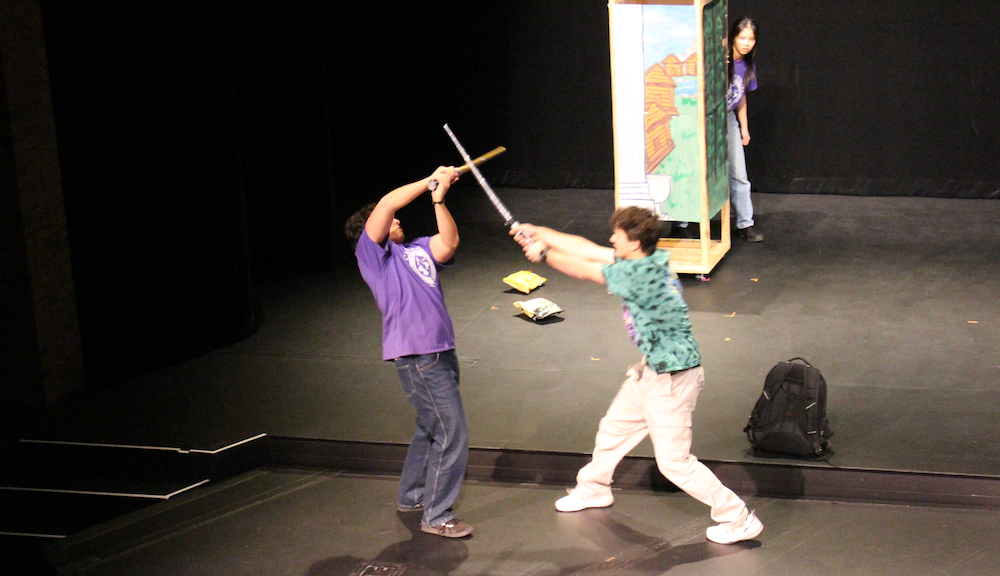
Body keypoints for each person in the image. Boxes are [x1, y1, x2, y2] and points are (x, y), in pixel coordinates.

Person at [509, 206, 763, 545]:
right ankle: (593, 489)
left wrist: (544, 254)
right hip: (651, 370)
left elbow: (585, 269)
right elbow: (587, 249)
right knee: (613, 430)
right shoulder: (650, 258)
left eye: (618, 235)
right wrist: (539, 230)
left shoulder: (641, 276)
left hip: (673, 379)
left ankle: (737, 517)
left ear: (635, 243)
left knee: (674, 463)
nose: (612, 238)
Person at [343, 166, 473, 538]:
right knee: (452, 433)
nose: (396, 218)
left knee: (428, 428)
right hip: (418, 356)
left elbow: (448, 243)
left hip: (441, 350)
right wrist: (429, 179)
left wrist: (438, 198)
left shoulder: (416, 249)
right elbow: (387, 203)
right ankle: (437, 515)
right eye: (387, 221)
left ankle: (412, 494)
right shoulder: (372, 257)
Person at [728, 16, 763, 242]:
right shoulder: (720, 58)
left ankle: (745, 224)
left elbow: (740, 98)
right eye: (742, 37)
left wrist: (744, 128)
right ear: (734, 37)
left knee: (740, 174)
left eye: (751, 39)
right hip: (704, 118)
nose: (746, 42)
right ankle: (683, 223)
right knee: (697, 172)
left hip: (728, 119)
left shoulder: (748, 65)